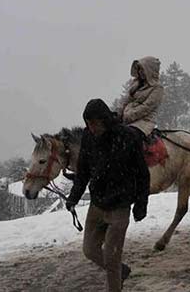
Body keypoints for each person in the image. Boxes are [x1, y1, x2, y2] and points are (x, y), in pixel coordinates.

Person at [66, 99, 150, 292]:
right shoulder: (88, 137)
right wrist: (73, 198)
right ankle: (122, 270)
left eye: (94, 123)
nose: (91, 128)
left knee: (112, 259)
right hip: (96, 206)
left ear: (104, 119)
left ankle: (116, 280)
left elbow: (142, 174)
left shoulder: (127, 137)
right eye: (88, 124)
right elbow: (83, 172)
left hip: (119, 208)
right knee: (89, 250)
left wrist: (141, 204)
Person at [116, 56, 164, 139]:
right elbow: (125, 102)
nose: (140, 72)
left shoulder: (157, 88)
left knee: (127, 136)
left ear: (149, 71)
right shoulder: (136, 85)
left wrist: (128, 116)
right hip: (127, 120)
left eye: (143, 69)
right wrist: (116, 115)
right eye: (139, 69)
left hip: (144, 123)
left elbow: (146, 107)